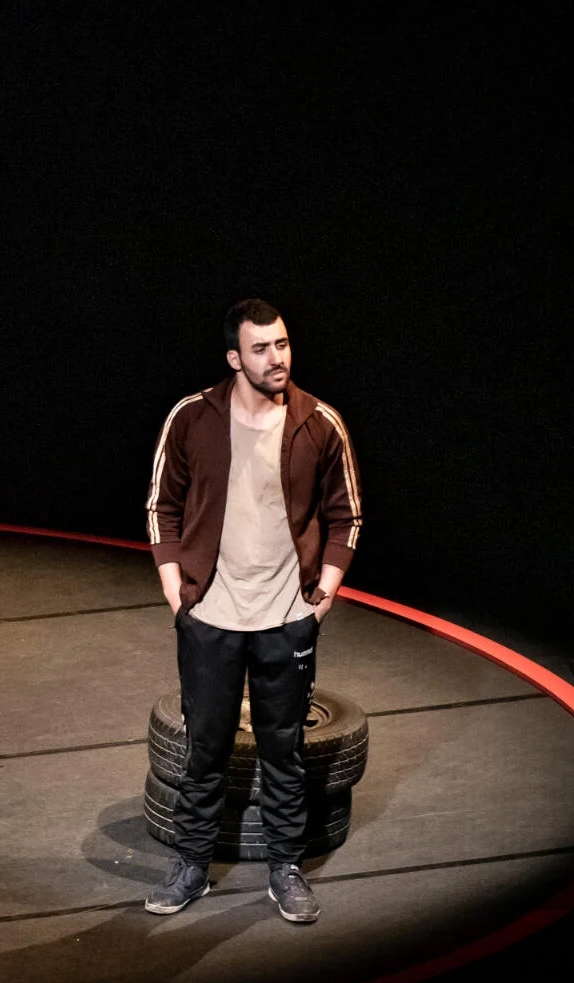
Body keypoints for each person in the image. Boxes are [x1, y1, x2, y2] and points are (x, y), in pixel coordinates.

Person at [141, 298, 364, 923]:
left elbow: (347, 515)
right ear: (235, 359)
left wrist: (321, 600)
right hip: (211, 616)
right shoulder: (192, 417)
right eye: (261, 348)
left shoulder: (320, 422)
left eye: (282, 344)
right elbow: (162, 505)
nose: (276, 358)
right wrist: (176, 591)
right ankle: (191, 865)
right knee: (205, 748)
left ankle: (285, 868)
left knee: (284, 750)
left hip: (287, 617)